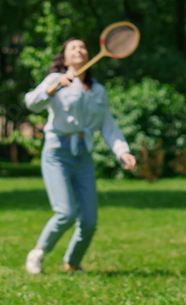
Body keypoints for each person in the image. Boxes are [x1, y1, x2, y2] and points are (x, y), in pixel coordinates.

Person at [23, 37, 137, 274]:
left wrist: (122, 151)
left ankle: (73, 264)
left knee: (89, 221)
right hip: (57, 152)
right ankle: (37, 254)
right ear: (64, 58)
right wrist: (52, 88)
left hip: (83, 155)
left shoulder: (97, 90)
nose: (80, 50)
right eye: (73, 48)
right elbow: (31, 104)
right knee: (65, 213)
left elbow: (108, 125)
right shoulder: (56, 80)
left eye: (83, 47)